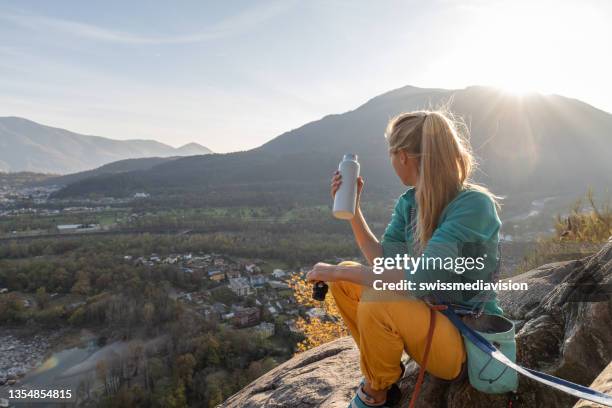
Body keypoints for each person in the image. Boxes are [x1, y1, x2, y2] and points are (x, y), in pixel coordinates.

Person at [307, 110, 503, 407]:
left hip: (464, 339)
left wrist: (335, 271)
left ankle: (376, 392)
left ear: (403, 157)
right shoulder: (410, 203)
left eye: (391, 155)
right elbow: (382, 263)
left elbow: (418, 278)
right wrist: (353, 211)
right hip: (424, 320)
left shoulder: (474, 206)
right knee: (348, 280)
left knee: (374, 298)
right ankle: (384, 372)